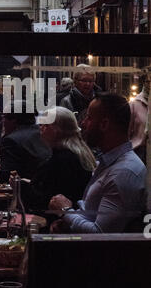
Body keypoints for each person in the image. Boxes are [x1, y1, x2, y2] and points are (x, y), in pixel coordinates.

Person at [49, 93, 147, 234]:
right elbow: (90, 214)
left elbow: (101, 234)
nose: (82, 124)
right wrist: (69, 223)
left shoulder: (124, 172)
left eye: (89, 118)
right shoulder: (109, 162)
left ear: (104, 124)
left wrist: (65, 212)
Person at [21, 107, 96, 212]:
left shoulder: (64, 159)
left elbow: (51, 199)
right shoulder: (78, 152)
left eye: (46, 125)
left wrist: (21, 187)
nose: (41, 128)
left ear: (58, 130)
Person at [0, 101, 51, 183]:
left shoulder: (11, 140)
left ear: (13, 120)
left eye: (4, 117)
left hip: (28, 191)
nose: (2, 121)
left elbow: (5, 178)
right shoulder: (44, 132)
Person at [129, 73, 150, 164]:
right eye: (148, 81)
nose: (150, 85)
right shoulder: (135, 104)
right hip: (139, 152)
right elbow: (127, 132)